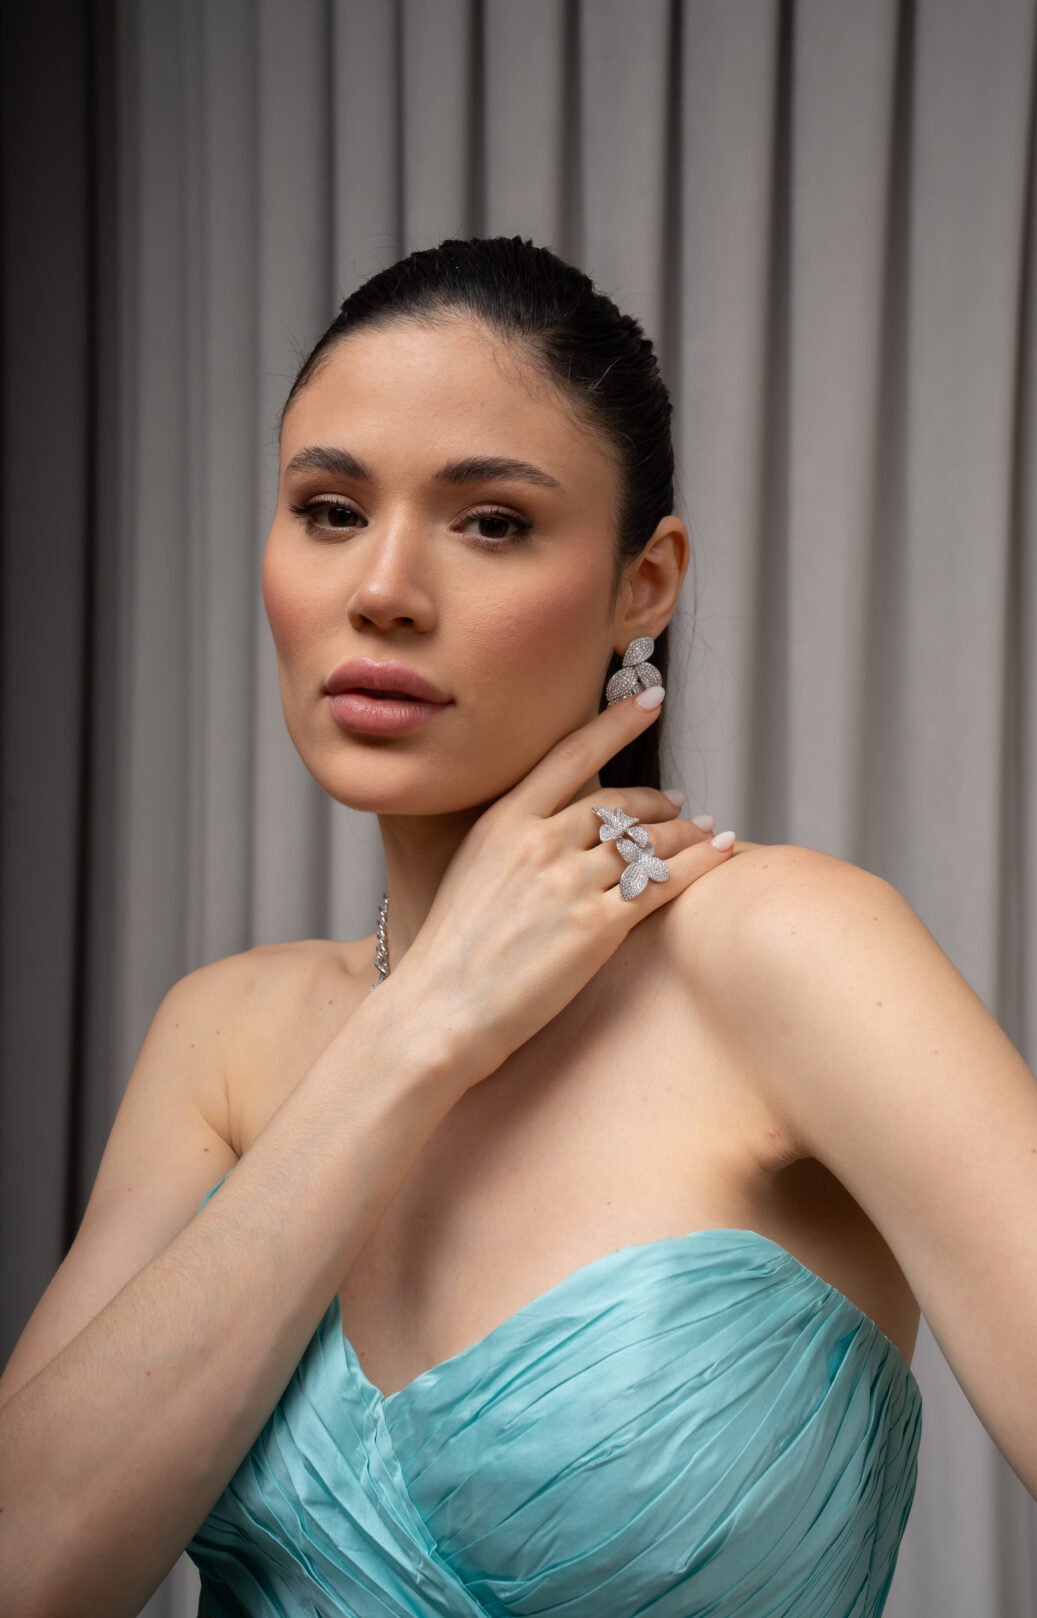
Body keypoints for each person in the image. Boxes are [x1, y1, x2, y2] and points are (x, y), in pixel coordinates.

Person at [4, 236, 1033, 1617]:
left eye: (490, 522)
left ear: (643, 584)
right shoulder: (223, 1039)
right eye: (328, 509)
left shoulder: (789, 951)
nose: (382, 588)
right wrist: (411, 1036)